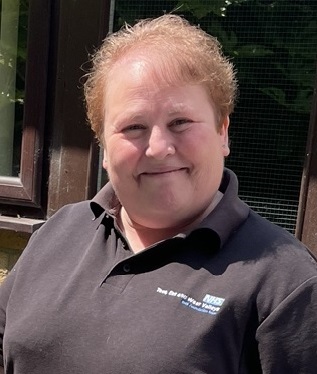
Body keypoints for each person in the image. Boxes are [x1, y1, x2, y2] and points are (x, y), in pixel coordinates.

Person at [0, 14, 316, 374]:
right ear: (103, 145)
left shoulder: (287, 284)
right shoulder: (60, 231)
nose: (158, 147)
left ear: (223, 131)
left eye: (180, 122)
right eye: (133, 127)